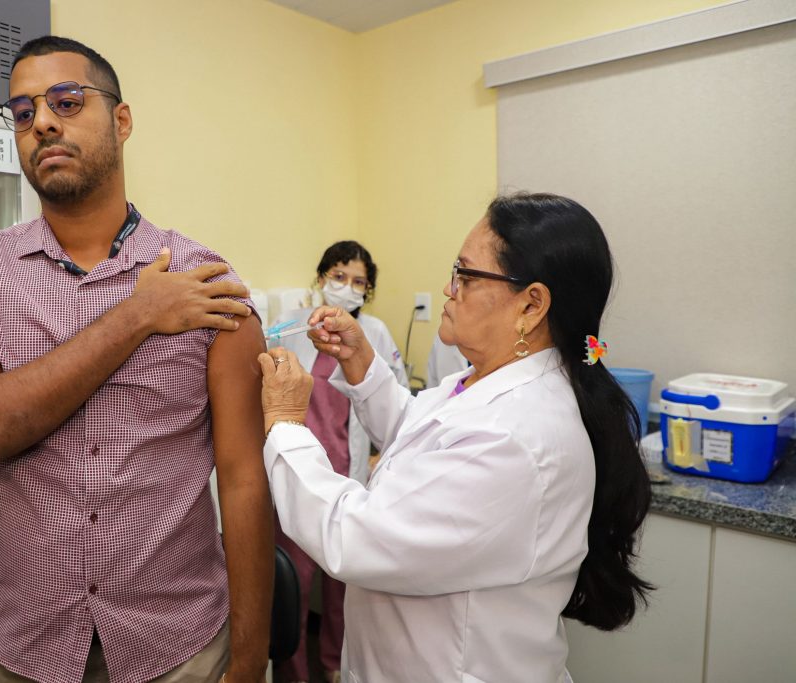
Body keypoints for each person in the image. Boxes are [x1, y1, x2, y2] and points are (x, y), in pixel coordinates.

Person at [0, 36, 272, 683]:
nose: (42, 122)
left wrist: (251, 658)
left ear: (121, 119)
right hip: (18, 650)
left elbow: (244, 477)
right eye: (22, 112)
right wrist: (137, 315)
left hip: (182, 648)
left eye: (66, 101)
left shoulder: (206, 281)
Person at [258, 193, 653, 682]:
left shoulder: (515, 436)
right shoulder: (484, 382)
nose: (448, 288)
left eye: (465, 275)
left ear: (531, 304)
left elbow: (356, 538)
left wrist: (285, 422)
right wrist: (360, 363)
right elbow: (419, 433)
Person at [269, 241, 407, 683]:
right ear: (321, 277)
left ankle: (333, 664)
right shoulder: (293, 326)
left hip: (350, 474)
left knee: (344, 587)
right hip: (301, 472)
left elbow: (396, 396)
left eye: (359, 282)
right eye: (339, 277)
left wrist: (381, 452)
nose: (348, 288)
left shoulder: (375, 333)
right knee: (294, 581)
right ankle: (293, 671)